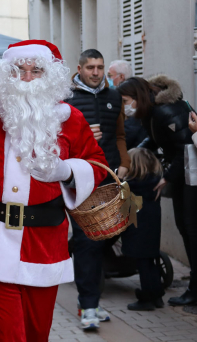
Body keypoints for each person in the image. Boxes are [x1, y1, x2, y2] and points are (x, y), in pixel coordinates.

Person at [0, 40, 107, 342]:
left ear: (50, 76)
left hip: (43, 243)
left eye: (36, 71)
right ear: (4, 75)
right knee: (7, 335)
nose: (26, 78)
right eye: (18, 70)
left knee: (37, 334)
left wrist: (66, 171)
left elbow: (98, 165)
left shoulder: (71, 118)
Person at [118, 76, 197, 306]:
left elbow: (186, 147)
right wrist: (133, 155)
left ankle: (195, 289)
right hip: (184, 174)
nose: (125, 107)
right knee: (186, 229)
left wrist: (166, 177)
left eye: (126, 101)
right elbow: (155, 140)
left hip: (191, 175)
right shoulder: (151, 112)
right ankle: (195, 287)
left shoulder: (164, 111)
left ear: (138, 97)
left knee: (191, 231)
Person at [64, 49, 129, 328]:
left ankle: (92, 301)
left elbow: (119, 135)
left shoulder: (114, 96)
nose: (95, 72)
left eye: (100, 67)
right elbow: (57, 140)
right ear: (79, 68)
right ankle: (88, 304)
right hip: (81, 179)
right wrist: (82, 137)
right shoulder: (66, 98)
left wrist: (124, 163)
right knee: (87, 241)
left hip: (110, 178)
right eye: (90, 67)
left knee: (103, 239)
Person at [122, 148, 165, 311]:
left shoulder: (131, 186)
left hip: (137, 229)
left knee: (143, 265)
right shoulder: (155, 183)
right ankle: (157, 295)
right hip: (152, 228)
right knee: (151, 261)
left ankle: (146, 298)